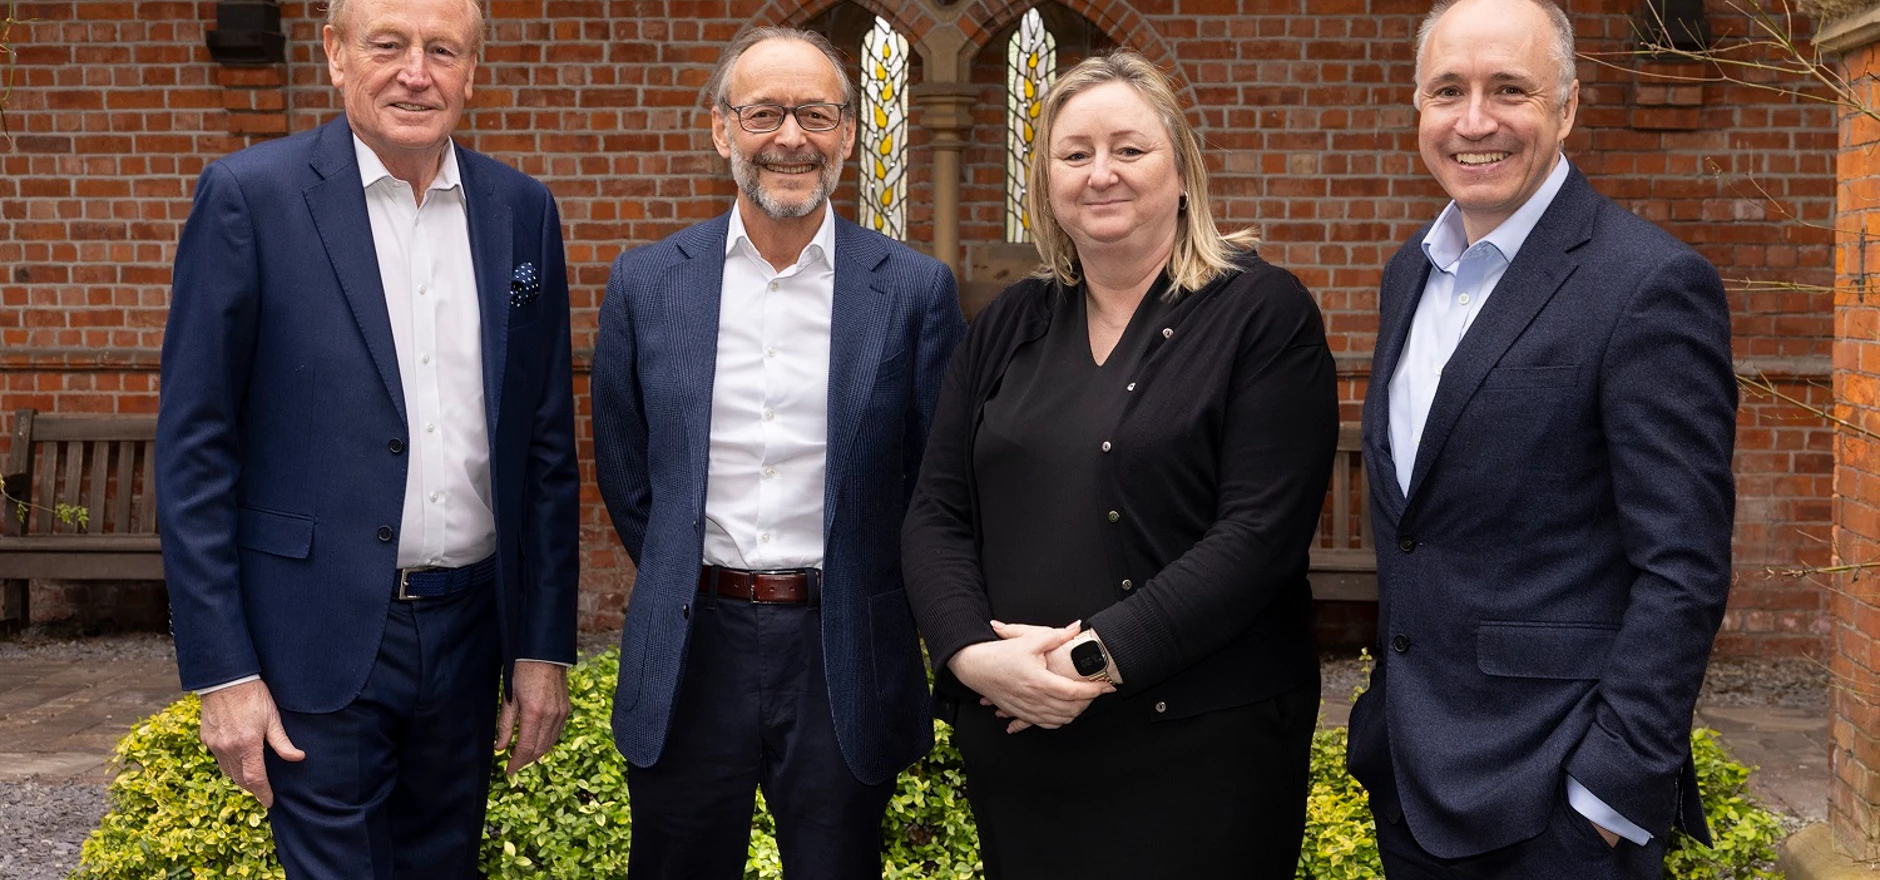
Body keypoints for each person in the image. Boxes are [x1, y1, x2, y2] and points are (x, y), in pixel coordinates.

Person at [155, 0, 580, 875]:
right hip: (315, 635)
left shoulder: (522, 213)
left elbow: (543, 447)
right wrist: (222, 672)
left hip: (470, 635)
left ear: (472, 68)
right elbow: (196, 452)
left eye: (442, 50)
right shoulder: (251, 198)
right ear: (337, 55)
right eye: (388, 46)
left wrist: (541, 647)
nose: (415, 73)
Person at [901, 50, 1339, 879]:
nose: (1101, 174)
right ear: (1046, 181)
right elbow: (937, 513)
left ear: (1182, 169)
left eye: (1129, 149)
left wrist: (1085, 660)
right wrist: (968, 655)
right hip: (1021, 744)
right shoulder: (1007, 322)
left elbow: (1260, 535)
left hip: (1204, 752)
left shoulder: (1262, 314)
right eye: (1075, 154)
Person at [1344, 0, 1739, 876]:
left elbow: (1683, 566)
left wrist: (1605, 796)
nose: (1474, 120)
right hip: (1412, 785)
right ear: (1418, 106)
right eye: (1448, 90)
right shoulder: (1411, 272)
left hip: (1554, 804)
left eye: (1509, 90)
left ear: (1564, 110)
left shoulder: (1648, 284)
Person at [590, 26, 965, 880]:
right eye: (763, 113)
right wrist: (691, 568)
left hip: (842, 649)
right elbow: (627, 468)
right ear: (722, 129)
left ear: (849, 134)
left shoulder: (912, 290)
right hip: (692, 648)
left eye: (815, 114)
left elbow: (932, 484)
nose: (790, 138)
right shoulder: (648, 282)